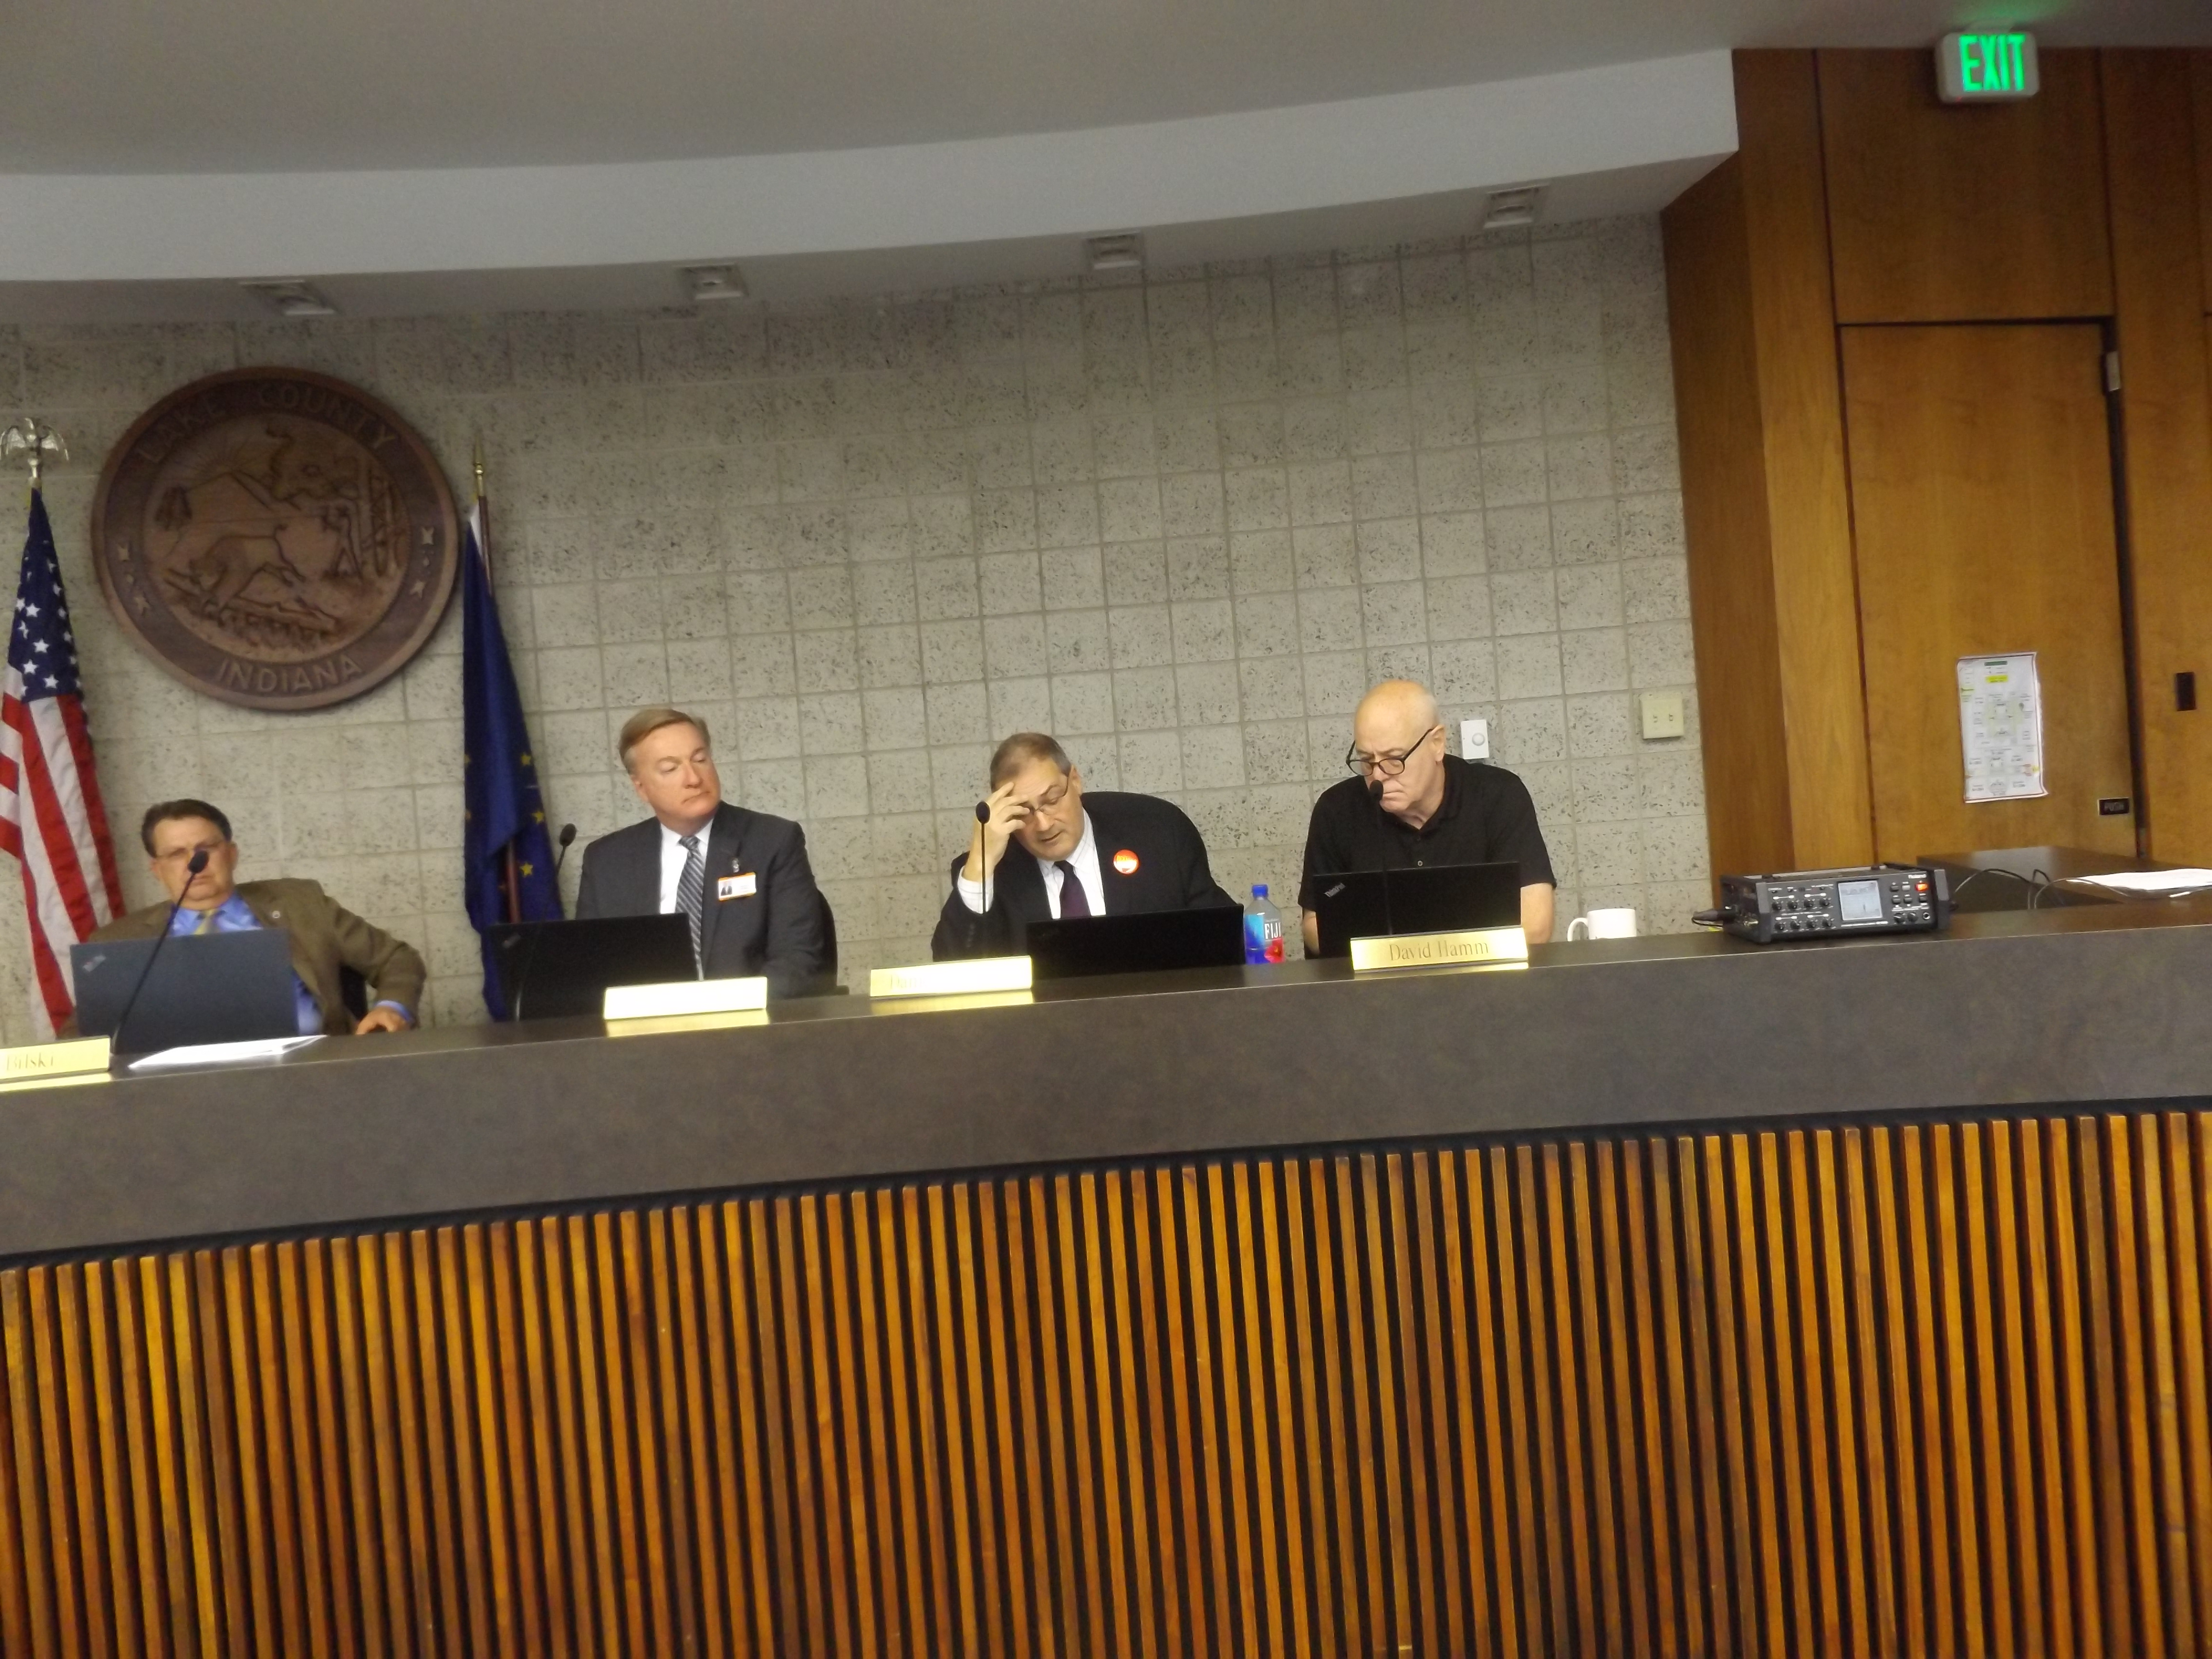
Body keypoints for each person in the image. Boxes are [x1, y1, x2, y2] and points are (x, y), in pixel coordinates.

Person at [73, 798, 424, 1036]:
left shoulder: (302, 905)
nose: (195, 863)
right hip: (180, 1092)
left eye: (206, 849)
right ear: (157, 869)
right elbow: (83, 1032)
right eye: (177, 854)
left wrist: (392, 1008)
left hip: (312, 1072)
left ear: (231, 854)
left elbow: (396, 959)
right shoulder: (118, 941)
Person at [575, 706, 829, 997]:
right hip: (648, 1021)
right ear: (641, 788)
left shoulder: (772, 841)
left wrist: (722, 1007)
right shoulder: (607, 861)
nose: (694, 778)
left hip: (748, 1018)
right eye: (670, 769)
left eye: (700, 760)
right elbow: (593, 971)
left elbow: (797, 961)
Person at [1299, 679, 1557, 952]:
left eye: (1394, 760)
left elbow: (1536, 925)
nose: (1378, 777)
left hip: (1488, 976)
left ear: (1437, 743)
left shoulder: (1498, 796)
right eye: (1366, 760)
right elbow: (1315, 926)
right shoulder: (1336, 810)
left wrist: (1422, 953)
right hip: (1375, 979)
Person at [931, 731, 1236, 960]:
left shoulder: (1158, 834)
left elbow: (1221, 938)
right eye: (1024, 812)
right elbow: (954, 972)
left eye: (1052, 800)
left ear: (1075, 781)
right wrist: (980, 864)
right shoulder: (994, 871)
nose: (1043, 824)